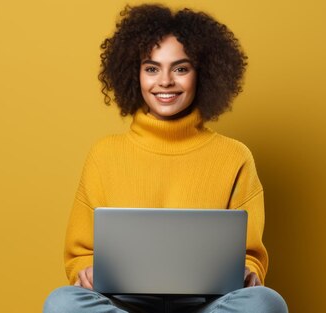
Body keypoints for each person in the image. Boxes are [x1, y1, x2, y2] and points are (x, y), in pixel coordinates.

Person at [44, 4, 288, 313]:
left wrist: (249, 270)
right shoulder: (104, 154)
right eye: (152, 68)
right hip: (122, 302)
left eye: (181, 68)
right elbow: (80, 252)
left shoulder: (234, 156)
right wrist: (86, 268)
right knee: (62, 303)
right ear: (135, 74)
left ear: (203, 74)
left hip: (207, 303)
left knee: (265, 303)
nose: (165, 81)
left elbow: (250, 254)